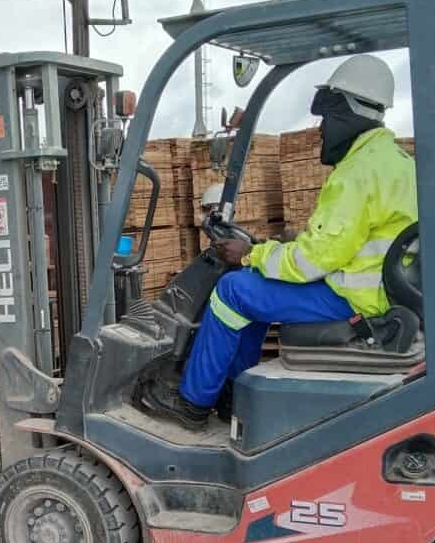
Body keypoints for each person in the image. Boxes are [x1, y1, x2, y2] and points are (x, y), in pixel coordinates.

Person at [144, 54, 418, 430]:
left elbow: (311, 262)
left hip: (353, 300)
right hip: (377, 291)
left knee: (230, 291)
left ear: (343, 113)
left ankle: (192, 402)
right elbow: (350, 240)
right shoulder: (398, 162)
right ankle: (234, 396)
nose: (320, 130)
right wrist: (283, 244)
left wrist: (253, 253)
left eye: (323, 120)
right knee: (253, 292)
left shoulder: (357, 174)